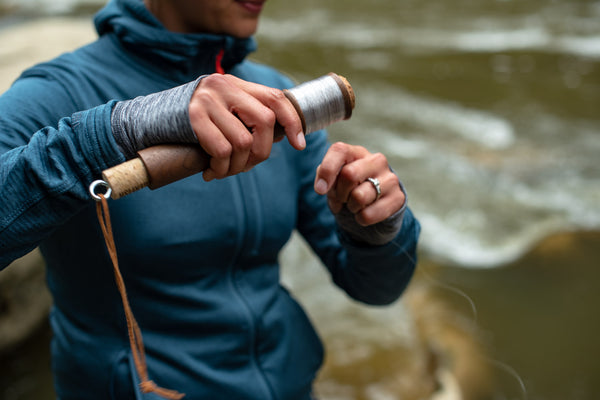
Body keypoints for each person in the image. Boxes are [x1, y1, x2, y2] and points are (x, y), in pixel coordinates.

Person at [0, 0, 421, 399]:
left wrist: (377, 223)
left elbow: (375, 287)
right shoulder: (56, 91)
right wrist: (121, 128)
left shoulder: (273, 94)